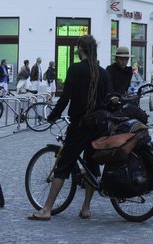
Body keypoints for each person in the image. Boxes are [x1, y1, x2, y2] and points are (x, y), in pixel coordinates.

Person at [30, 35, 109, 222]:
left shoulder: (75, 69)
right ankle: (86, 208)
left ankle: (47, 208)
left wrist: (53, 116)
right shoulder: (103, 73)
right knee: (92, 165)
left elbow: (65, 98)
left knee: (63, 165)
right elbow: (106, 100)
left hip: (80, 126)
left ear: (81, 48)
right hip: (98, 126)